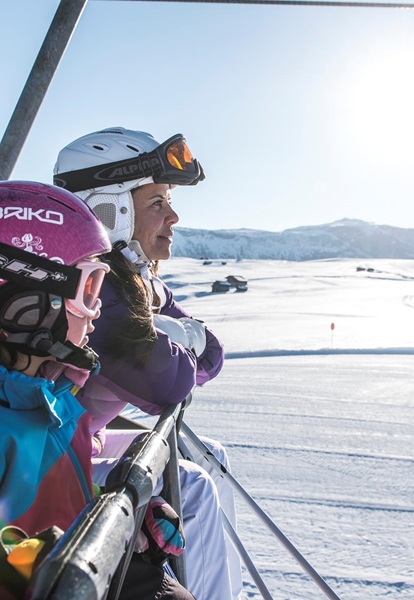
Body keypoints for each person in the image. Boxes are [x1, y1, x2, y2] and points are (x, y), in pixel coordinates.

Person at [53, 127, 243, 600]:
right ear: (108, 212)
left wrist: (178, 334)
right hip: (49, 460)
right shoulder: (99, 288)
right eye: (157, 202)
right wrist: (180, 336)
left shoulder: (133, 280)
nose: (174, 216)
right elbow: (171, 381)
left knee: (210, 457)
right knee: (194, 485)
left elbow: (212, 354)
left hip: (77, 441)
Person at [0, 181, 196, 600]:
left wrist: (115, 518)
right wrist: (36, 558)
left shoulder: (52, 401)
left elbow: (56, 494)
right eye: (89, 287)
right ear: (27, 301)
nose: (99, 306)